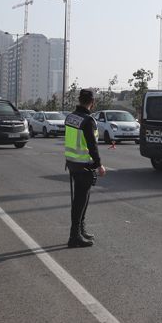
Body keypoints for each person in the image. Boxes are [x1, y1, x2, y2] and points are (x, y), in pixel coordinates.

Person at [64, 89, 106, 248]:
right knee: (81, 201)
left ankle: (80, 230)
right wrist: (99, 165)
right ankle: (74, 236)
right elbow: (92, 145)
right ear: (92, 103)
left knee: (82, 199)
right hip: (83, 165)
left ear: (79, 100)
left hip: (72, 163)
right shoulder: (87, 120)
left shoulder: (70, 117)